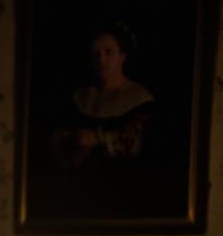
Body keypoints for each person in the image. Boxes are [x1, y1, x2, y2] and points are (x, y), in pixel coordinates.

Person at [50, 22, 154, 172]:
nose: (101, 60)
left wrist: (98, 138)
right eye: (96, 54)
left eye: (108, 52)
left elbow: (140, 146)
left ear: (122, 56)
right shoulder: (79, 97)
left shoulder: (140, 98)